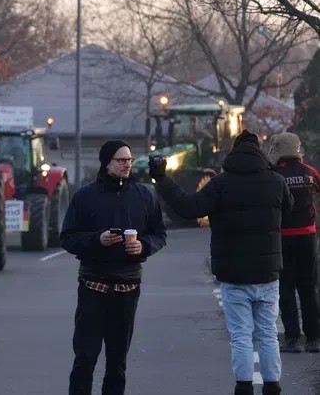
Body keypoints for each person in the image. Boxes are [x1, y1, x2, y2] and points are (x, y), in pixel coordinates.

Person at [149, 129, 292, 395]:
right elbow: (290, 209)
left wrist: (162, 179)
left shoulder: (220, 184)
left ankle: (244, 387)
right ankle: (272, 386)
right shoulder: (275, 181)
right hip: (267, 273)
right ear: (260, 153)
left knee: (241, 335)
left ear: (233, 153)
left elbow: (189, 208)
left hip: (233, 275)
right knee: (268, 333)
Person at [61, 139, 167, 395]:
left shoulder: (144, 195)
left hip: (128, 289)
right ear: (106, 163)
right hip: (93, 287)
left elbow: (159, 234)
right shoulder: (85, 196)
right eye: (121, 160)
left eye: (129, 160)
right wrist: (97, 240)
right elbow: (67, 238)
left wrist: (143, 246)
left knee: (117, 363)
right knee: (85, 359)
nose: (127, 165)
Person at [267, 132, 320, 354]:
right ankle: (314, 339)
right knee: (308, 288)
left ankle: (291, 339)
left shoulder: (274, 175)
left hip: (283, 238)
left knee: (286, 288)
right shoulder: (310, 172)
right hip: (308, 237)